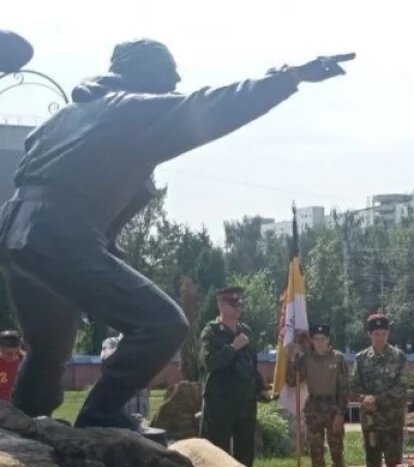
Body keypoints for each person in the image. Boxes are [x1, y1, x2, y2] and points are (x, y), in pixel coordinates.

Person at [0, 40, 346, 429]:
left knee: (48, 350)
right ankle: (100, 415)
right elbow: (210, 107)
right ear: (144, 74)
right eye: (167, 78)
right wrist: (287, 78)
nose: (174, 86)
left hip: (17, 232)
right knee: (163, 324)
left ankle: (22, 428)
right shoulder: (126, 109)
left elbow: (63, 173)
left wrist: (102, 244)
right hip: (59, 231)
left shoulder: (62, 117)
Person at [285, 324, 350, 467]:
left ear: (328, 340)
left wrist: (340, 413)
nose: (319, 342)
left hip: (332, 406)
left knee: (337, 450)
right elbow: (292, 381)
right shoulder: (306, 359)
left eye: (322, 338)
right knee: (316, 450)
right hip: (313, 407)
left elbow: (344, 389)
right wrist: (292, 360)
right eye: (316, 339)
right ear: (311, 340)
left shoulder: (338, 359)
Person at [199, 287, 264, 466]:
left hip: (245, 399)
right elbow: (210, 363)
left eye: (240, 304)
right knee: (217, 450)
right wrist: (233, 347)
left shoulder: (246, 331)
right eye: (233, 304)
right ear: (220, 304)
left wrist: (260, 388)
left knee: (245, 450)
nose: (238, 308)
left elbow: (252, 364)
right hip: (220, 399)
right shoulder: (211, 332)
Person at [352, 313, 407, 467]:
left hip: (392, 418)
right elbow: (354, 385)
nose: (380, 337)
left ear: (388, 333)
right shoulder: (361, 358)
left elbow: (401, 387)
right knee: (372, 458)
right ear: (369, 334)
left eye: (383, 333)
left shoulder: (398, 357)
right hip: (370, 419)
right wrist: (363, 398)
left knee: (393, 459)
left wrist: (377, 399)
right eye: (376, 333)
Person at [100, 334, 151, 422]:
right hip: (122, 404)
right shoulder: (111, 342)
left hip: (141, 402)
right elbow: (106, 357)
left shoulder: (145, 344)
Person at [0, 329, 24, 403]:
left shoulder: (24, 361)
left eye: (17, 352)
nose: (13, 357)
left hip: (17, 404)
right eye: (8, 354)